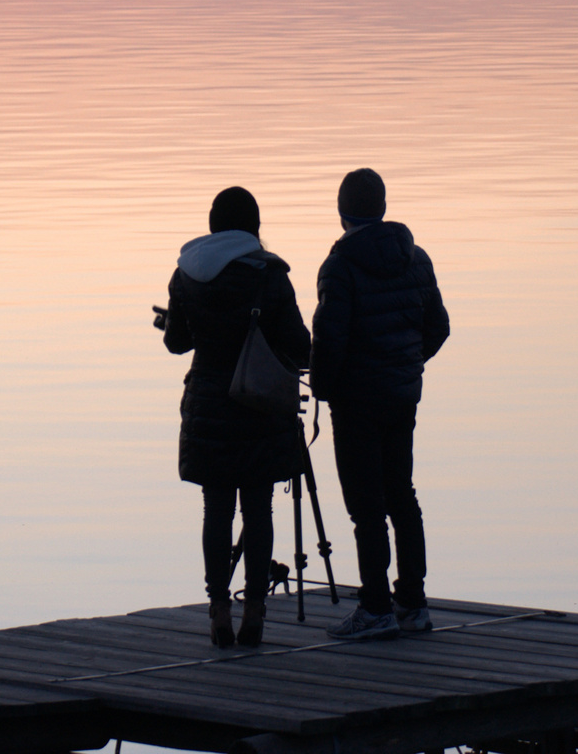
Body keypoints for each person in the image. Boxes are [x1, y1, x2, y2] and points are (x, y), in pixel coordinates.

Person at [159, 186, 311, 648]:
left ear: (212, 225)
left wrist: (174, 321)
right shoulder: (270, 274)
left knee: (216, 509)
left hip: (208, 406)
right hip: (259, 406)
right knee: (259, 508)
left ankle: (218, 609)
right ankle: (257, 615)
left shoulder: (186, 274)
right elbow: (299, 347)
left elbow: (176, 342)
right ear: (254, 227)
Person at [310, 168, 450, 641]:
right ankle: (412, 602)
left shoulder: (339, 266)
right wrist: (408, 362)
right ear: (383, 208)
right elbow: (438, 328)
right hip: (402, 394)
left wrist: (324, 388)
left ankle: (375, 608)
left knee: (366, 507)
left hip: (357, 402)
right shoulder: (417, 259)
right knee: (402, 496)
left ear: (342, 212)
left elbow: (330, 341)